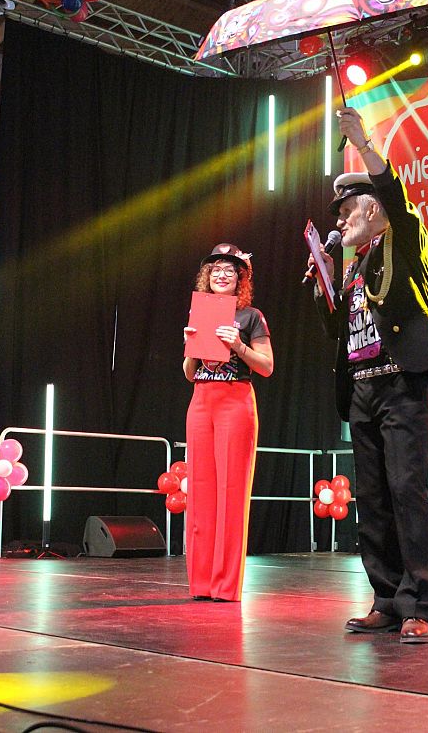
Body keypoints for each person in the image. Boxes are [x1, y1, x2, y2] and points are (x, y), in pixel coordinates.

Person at [310, 107, 428, 643]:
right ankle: (387, 598)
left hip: (402, 385)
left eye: (348, 212)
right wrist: (324, 286)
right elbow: (341, 331)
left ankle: (420, 603)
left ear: (374, 210)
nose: (341, 222)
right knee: (371, 498)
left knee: (405, 490)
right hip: (363, 388)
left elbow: (395, 193)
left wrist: (364, 144)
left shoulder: (405, 237)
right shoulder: (355, 266)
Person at [183, 243, 273, 602]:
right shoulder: (200, 312)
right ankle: (202, 583)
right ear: (207, 276)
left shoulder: (251, 317)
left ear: (240, 278)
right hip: (201, 401)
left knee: (231, 494)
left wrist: (238, 346)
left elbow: (266, 366)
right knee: (201, 492)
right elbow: (189, 373)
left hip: (235, 401)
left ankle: (225, 585)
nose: (221, 274)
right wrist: (190, 345)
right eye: (216, 269)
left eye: (229, 269)